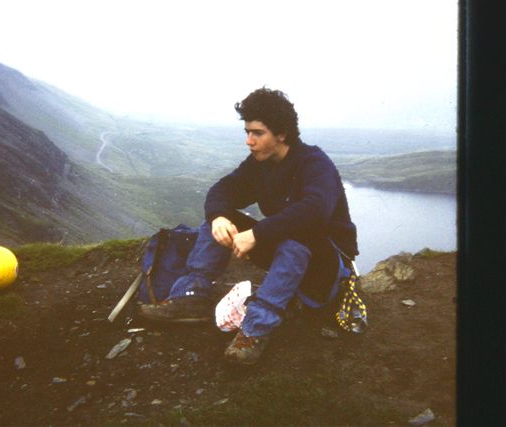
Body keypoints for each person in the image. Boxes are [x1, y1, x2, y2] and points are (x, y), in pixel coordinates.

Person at [139, 87, 358, 365]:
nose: (249, 141)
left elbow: (314, 212)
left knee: (296, 241)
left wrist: (257, 233)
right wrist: (219, 217)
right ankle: (192, 297)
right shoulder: (260, 164)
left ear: (281, 134)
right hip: (289, 251)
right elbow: (222, 190)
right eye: (247, 132)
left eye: (257, 133)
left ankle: (256, 328)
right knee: (222, 220)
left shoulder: (315, 163)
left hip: (326, 265)